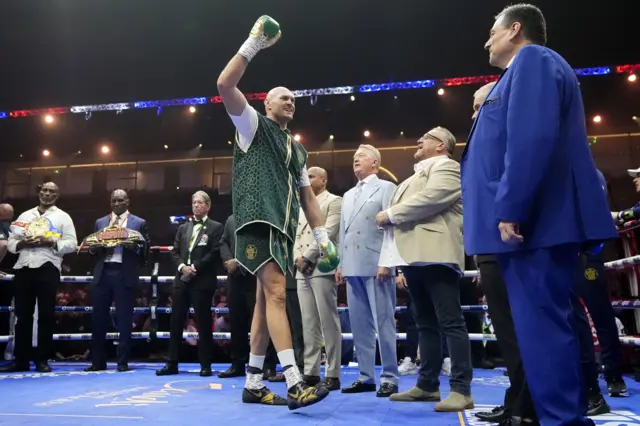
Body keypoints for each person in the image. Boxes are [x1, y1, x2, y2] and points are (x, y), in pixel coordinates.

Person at [461, 5, 617, 426]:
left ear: (515, 30)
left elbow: (531, 138)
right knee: (539, 332)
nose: (486, 40)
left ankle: (563, 421)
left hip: (535, 226)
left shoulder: (531, 60)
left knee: (542, 332)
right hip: (533, 227)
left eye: (492, 31)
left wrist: (512, 206)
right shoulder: (518, 73)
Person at [216, 15, 335, 409]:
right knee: (276, 297)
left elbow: (308, 198)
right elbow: (224, 85)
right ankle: (295, 381)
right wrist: (253, 44)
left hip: (282, 228)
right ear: (266, 104)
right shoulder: (252, 125)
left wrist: (322, 238)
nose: (291, 103)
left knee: (265, 303)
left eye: (295, 100)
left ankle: (252, 381)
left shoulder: (298, 150)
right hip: (258, 219)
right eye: (284, 98)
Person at [378, 127, 473, 411]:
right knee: (425, 324)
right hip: (413, 257)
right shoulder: (414, 175)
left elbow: (432, 198)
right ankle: (427, 385)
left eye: (426, 138)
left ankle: (461, 389)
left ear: (442, 145)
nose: (419, 141)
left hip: (437, 254)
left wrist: (391, 214)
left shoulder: (448, 167)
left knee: (451, 322)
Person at [336, 144, 399, 398]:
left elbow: (392, 228)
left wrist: (387, 261)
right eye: (354, 157)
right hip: (352, 263)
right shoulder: (349, 194)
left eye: (361, 157)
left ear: (375, 163)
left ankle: (390, 377)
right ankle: (365, 375)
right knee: (360, 324)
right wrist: (340, 263)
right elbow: (343, 230)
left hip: (376, 264)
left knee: (384, 322)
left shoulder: (386, 188)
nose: (355, 160)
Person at [0, 182, 77, 373]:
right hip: (23, 266)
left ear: (57, 195)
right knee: (22, 316)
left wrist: (50, 241)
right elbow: (10, 242)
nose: (47, 194)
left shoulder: (63, 217)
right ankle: (21, 360)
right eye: (45, 190)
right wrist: (22, 244)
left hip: (48, 267)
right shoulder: (25, 216)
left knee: (46, 315)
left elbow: (72, 244)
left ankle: (42, 360)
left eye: (52, 191)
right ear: (39, 193)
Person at [156, 191, 224, 377]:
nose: (196, 205)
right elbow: (174, 251)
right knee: (176, 322)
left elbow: (215, 252)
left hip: (202, 280)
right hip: (182, 280)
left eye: (200, 202)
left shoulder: (216, 227)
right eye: (194, 202)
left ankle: (205, 365)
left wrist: (195, 267)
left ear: (208, 206)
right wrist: (182, 267)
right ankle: (172, 363)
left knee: (203, 323)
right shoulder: (183, 228)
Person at [85, 189, 150, 372]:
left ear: (127, 201)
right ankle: (97, 362)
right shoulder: (101, 222)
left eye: (120, 200)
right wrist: (95, 247)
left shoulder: (139, 223)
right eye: (114, 200)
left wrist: (133, 247)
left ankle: (122, 362)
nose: (117, 204)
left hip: (124, 272)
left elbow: (146, 251)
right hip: (103, 271)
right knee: (98, 319)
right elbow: (91, 250)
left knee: (124, 319)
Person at [294, 166, 343, 390]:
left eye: (311, 175)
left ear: (323, 180)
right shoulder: (299, 204)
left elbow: (329, 231)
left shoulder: (334, 201)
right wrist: (297, 257)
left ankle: (332, 373)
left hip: (322, 264)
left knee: (328, 321)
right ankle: (311, 371)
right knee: (308, 322)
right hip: (301, 268)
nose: (308, 178)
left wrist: (308, 256)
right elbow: (293, 233)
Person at [218, 213, 278, 380]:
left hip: (256, 276)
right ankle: (237, 363)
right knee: (236, 322)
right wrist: (228, 260)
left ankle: (268, 366)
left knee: (262, 321)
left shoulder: (260, 216)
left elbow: (263, 243)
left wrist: (239, 261)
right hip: (235, 279)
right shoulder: (231, 219)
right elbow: (223, 241)